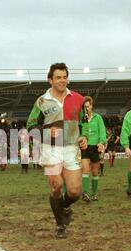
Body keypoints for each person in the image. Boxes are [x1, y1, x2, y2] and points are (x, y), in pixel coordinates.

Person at [26, 62, 88, 239]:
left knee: (75, 191)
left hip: (71, 148)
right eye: (58, 77)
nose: (62, 80)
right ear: (50, 80)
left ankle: (65, 206)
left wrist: (83, 137)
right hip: (51, 149)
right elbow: (31, 126)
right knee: (56, 186)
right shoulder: (41, 101)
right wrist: (46, 132)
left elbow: (83, 123)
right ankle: (60, 224)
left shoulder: (78, 98)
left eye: (65, 77)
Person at [80, 96, 106, 201]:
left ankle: (94, 194)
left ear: (91, 106)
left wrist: (101, 143)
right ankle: (85, 193)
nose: (87, 109)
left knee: (95, 172)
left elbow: (102, 132)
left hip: (96, 147)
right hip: (84, 147)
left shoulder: (98, 118)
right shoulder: (81, 119)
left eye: (88, 106)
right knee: (85, 169)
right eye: (85, 107)